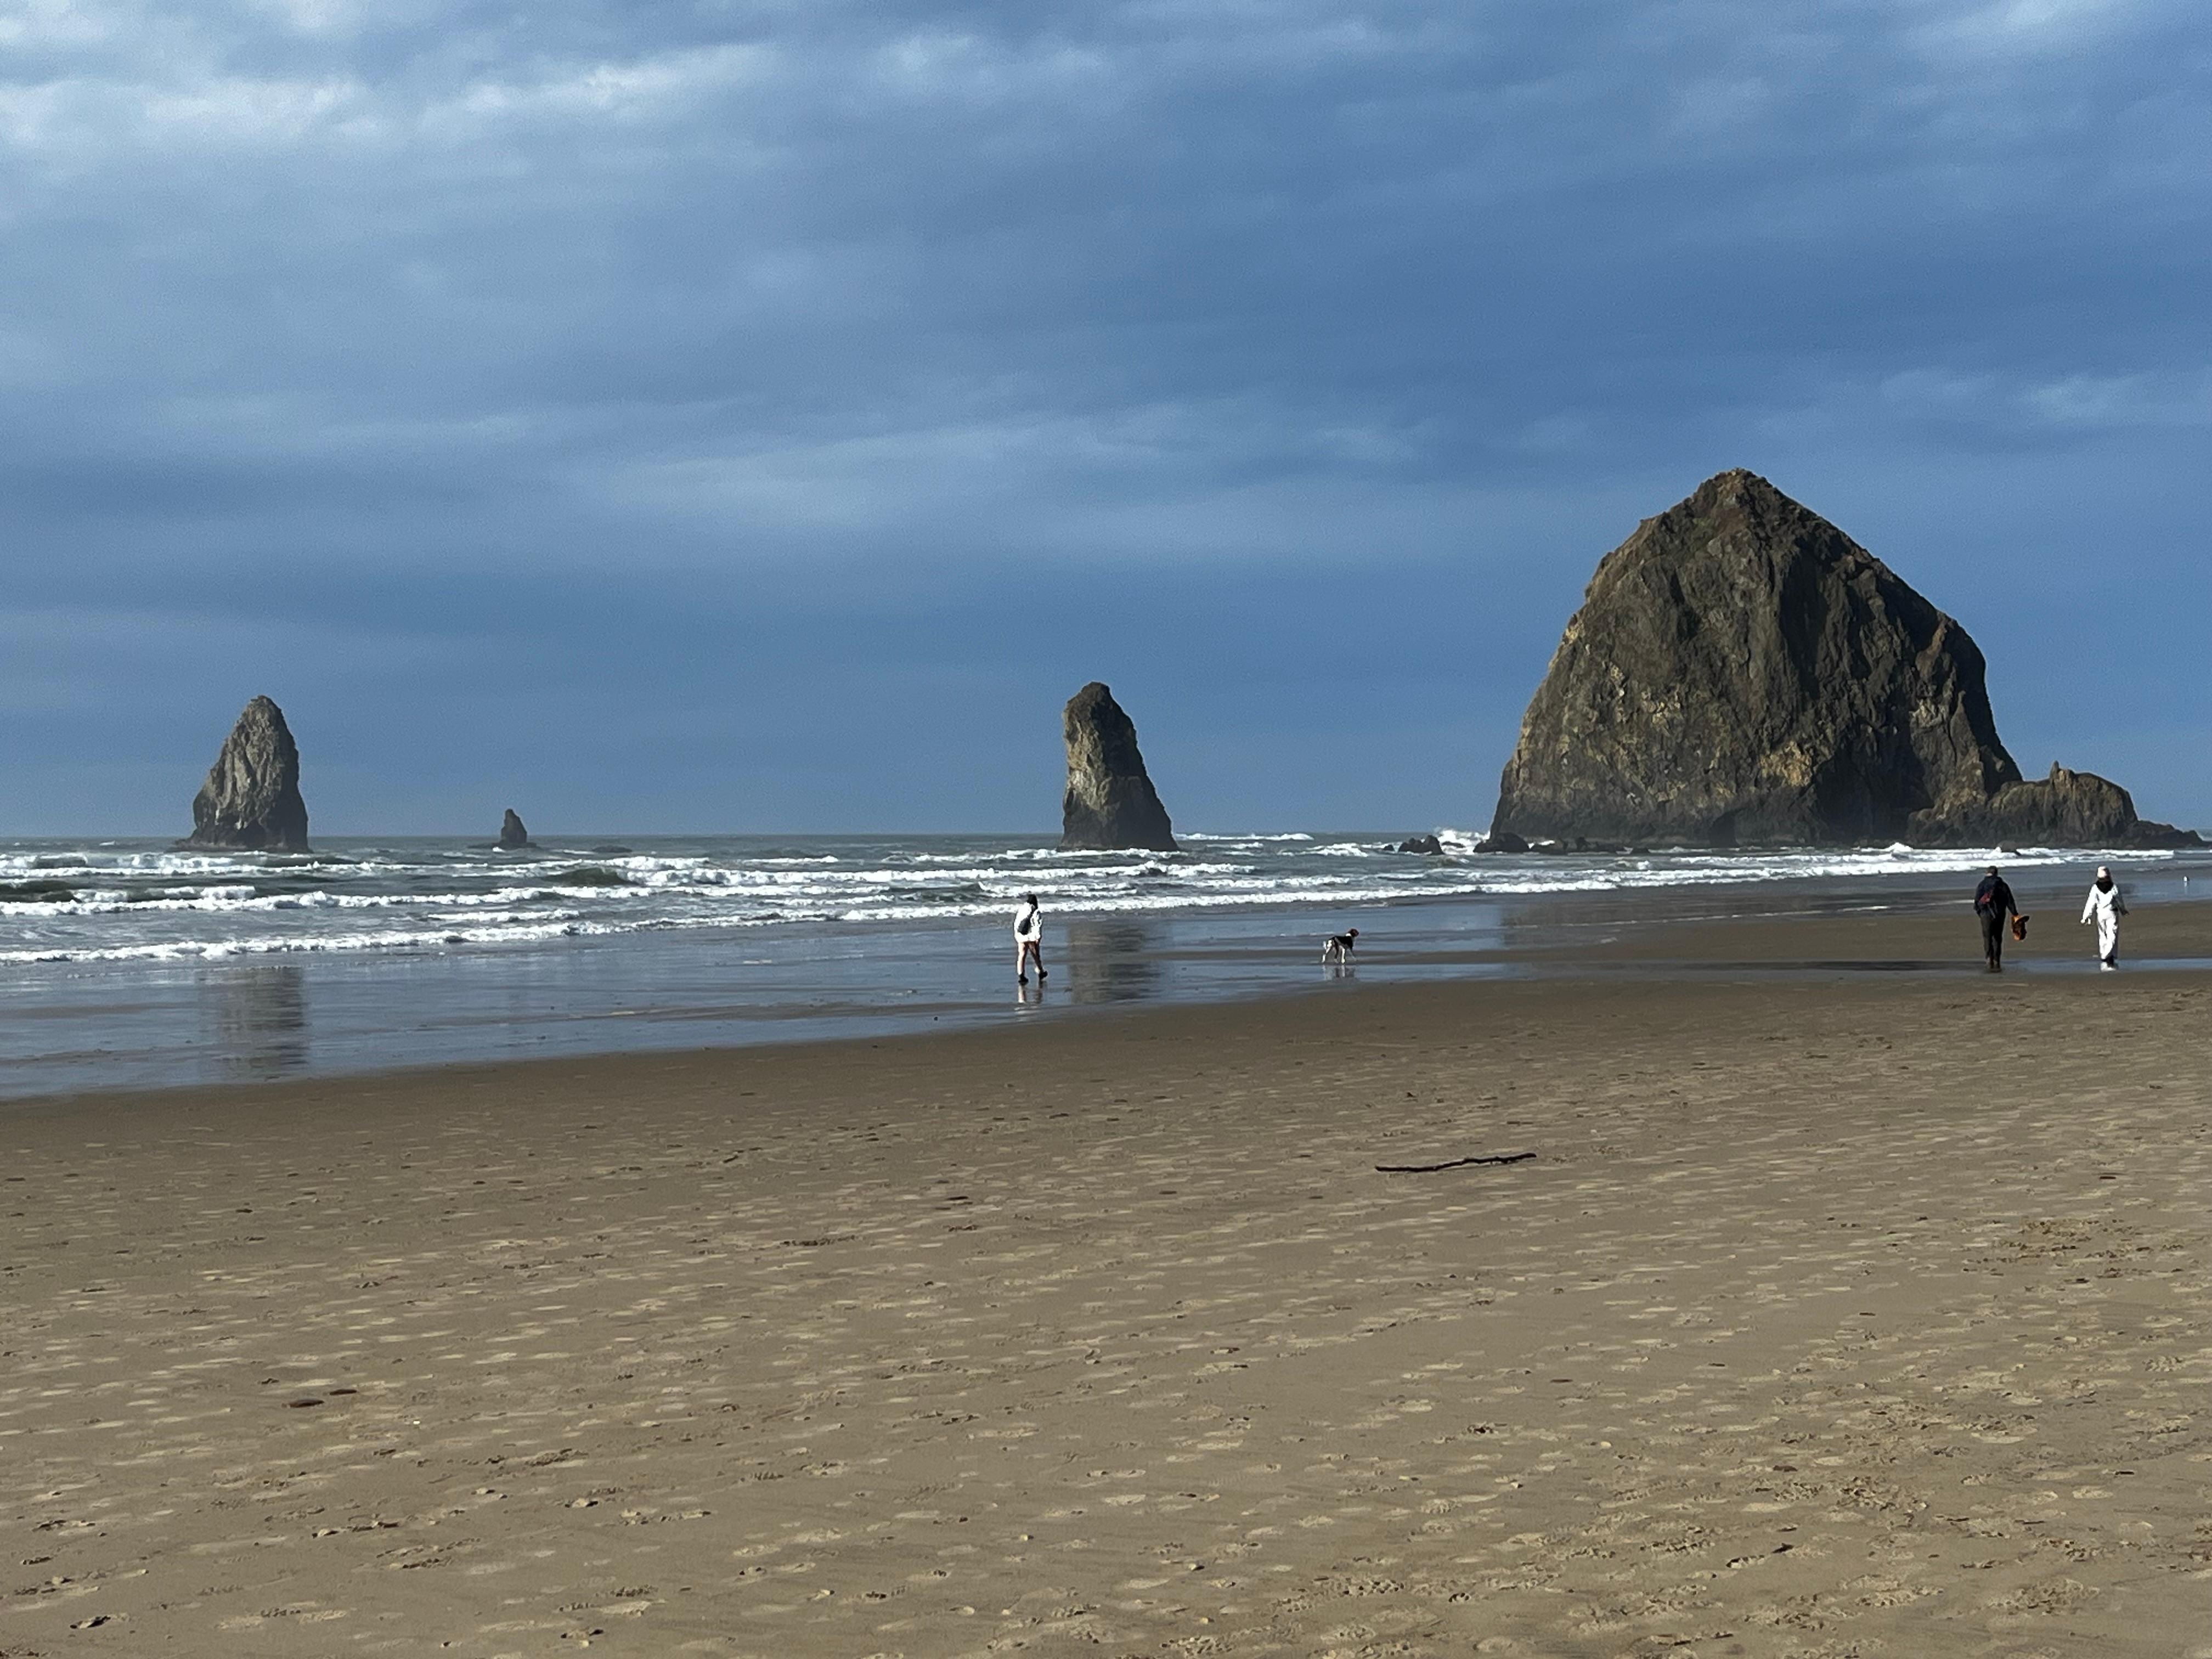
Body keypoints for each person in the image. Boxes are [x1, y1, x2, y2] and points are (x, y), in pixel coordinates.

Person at [2079, 864, 2128, 969]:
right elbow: (2119, 901)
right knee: (2112, 934)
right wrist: (2123, 910)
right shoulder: (2114, 887)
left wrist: (2086, 916)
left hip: (2100, 913)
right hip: (2112, 913)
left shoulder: (2095, 888)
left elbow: (2090, 903)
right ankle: (2109, 955)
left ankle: (2104, 955)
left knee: (2103, 935)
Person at [1972, 865, 2019, 972]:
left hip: (1985, 915)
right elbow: (2010, 901)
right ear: (1997, 873)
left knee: (1987, 937)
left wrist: (1980, 912)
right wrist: (2015, 913)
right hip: (2000, 914)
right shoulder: (2003, 885)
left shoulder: (1982, 885)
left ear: (1987, 873)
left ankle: (1989, 958)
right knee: (1998, 937)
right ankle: (1997, 959)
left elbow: (1976, 903)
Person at [1014, 892, 1047, 985]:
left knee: (1022, 955)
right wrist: (1038, 937)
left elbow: (1017, 923)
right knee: (1036, 955)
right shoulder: (1036, 911)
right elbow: (1038, 925)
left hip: (1021, 935)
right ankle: (1041, 972)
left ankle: (1021, 975)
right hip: (1031, 936)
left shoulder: (1022, 909)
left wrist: (1017, 934)